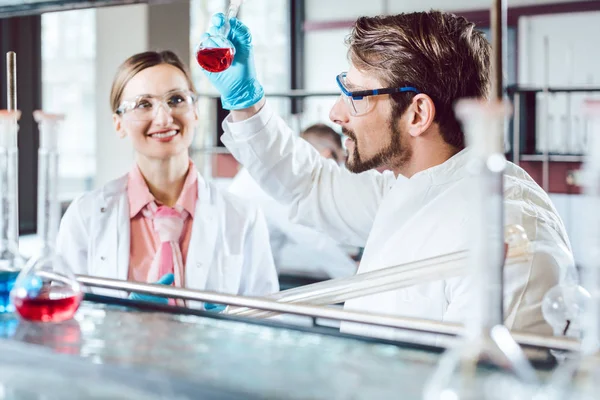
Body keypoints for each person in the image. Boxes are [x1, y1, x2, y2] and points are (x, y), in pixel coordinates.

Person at [200, 11, 575, 340]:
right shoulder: (404, 190)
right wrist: (245, 102)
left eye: (355, 96)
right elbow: (308, 185)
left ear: (417, 115)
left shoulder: (511, 230)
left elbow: (483, 383)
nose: (336, 112)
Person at [56, 50, 279, 308]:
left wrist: (229, 332)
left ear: (196, 112)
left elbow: (269, 319)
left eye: (176, 99)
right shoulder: (85, 216)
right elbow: (67, 319)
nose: (163, 118)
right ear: (118, 123)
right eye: (144, 104)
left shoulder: (242, 217)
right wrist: (122, 321)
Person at [229, 123, 359, 280]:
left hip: (250, 273)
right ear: (326, 155)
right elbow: (313, 240)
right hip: (236, 276)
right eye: (337, 162)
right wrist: (354, 274)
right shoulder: (279, 177)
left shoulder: (282, 166)